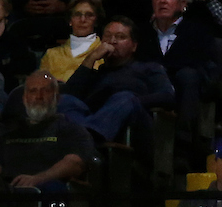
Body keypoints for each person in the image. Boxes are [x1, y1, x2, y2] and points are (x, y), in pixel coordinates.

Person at [60, 16, 174, 152]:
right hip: (92, 117)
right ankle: (88, 135)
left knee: (124, 97)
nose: (112, 41)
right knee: (63, 99)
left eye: (120, 37)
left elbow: (168, 96)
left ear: (134, 46)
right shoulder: (95, 74)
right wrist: (90, 59)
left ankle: (88, 136)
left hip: (133, 122)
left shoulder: (149, 69)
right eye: (107, 36)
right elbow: (69, 95)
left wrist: (133, 102)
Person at [136, 0, 218, 160]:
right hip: (151, 88)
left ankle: (183, 145)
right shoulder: (141, 34)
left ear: (183, 4)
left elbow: (202, 66)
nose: (163, 1)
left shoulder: (198, 31)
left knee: (188, 76)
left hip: (184, 88)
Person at [0, 71, 94, 190]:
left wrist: (38, 179)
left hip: (47, 189)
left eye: (45, 91)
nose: (39, 97)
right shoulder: (6, 132)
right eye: (33, 91)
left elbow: (75, 163)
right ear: (25, 98)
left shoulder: (72, 130)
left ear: (57, 98)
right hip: (8, 191)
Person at [39, 0, 104, 83]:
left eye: (89, 15)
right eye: (77, 14)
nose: (83, 20)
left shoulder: (103, 53)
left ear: (96, 20)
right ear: (70, 19)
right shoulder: (51, 55)